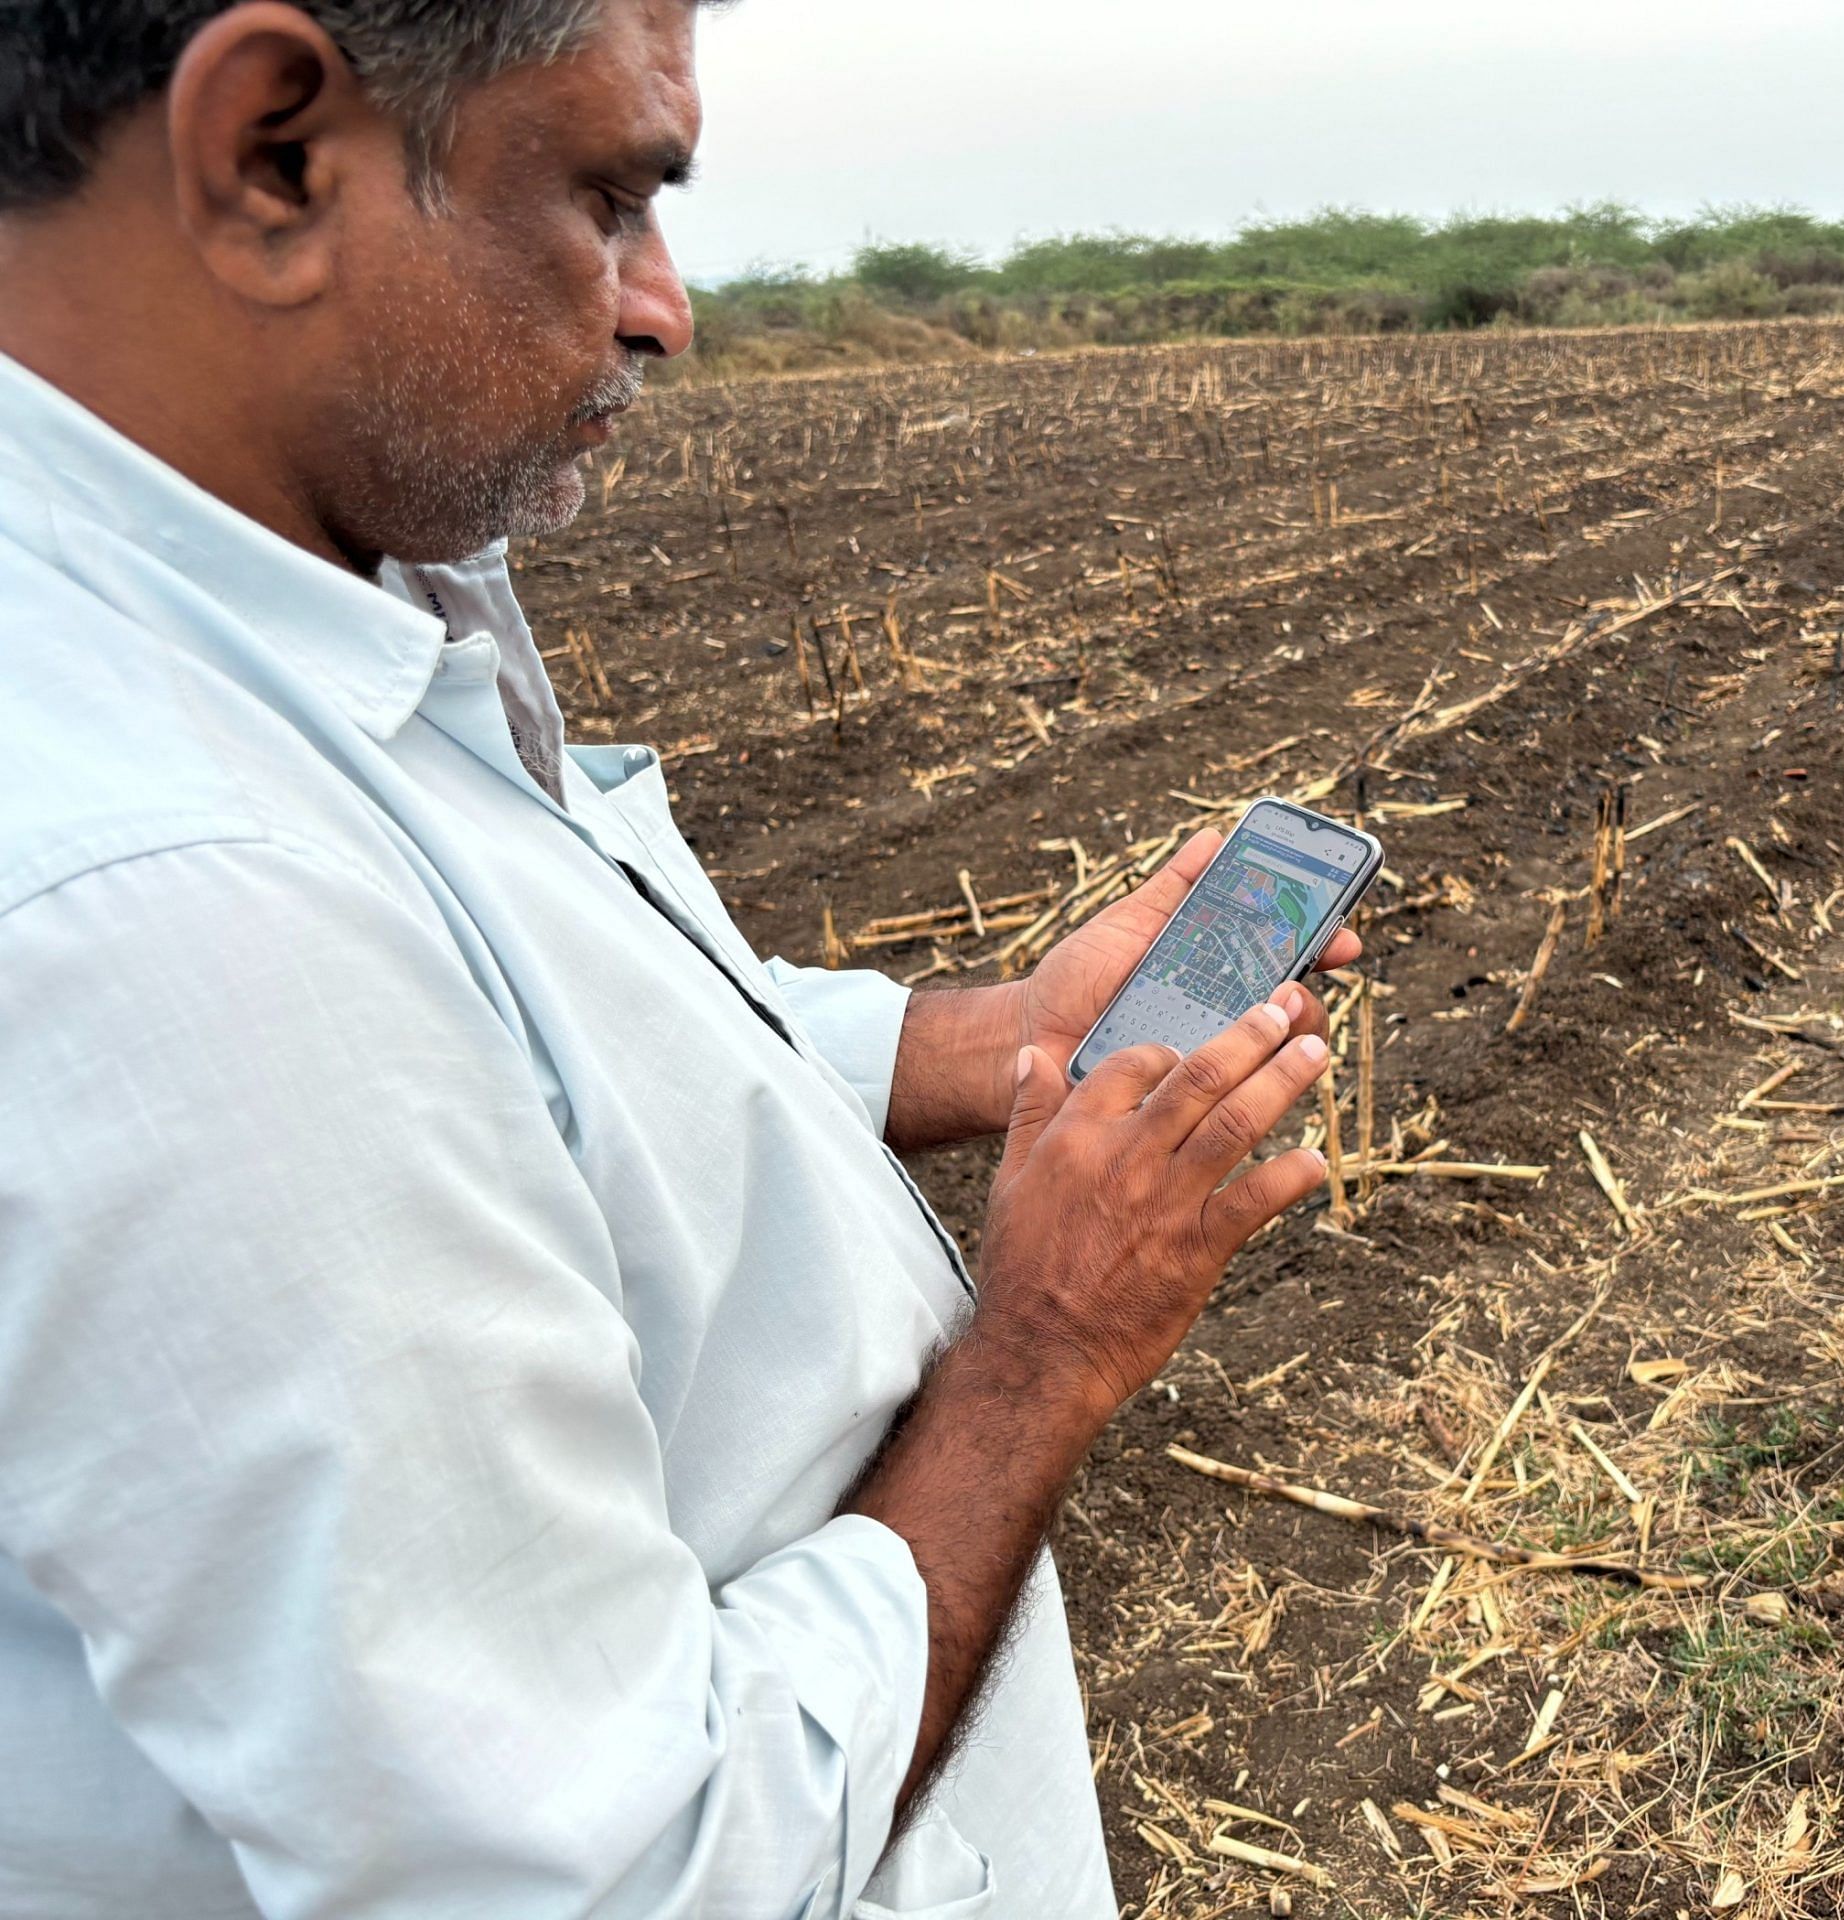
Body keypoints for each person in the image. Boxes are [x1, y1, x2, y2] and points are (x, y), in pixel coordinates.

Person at [0, 4, 1355, 1914]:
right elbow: (625, 1873)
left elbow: (525, 1079)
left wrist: (987, 1044)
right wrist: (1044, 1350)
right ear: (271, 152)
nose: (662, 308)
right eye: (611, 196)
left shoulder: (306, 589)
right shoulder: (169, 906)